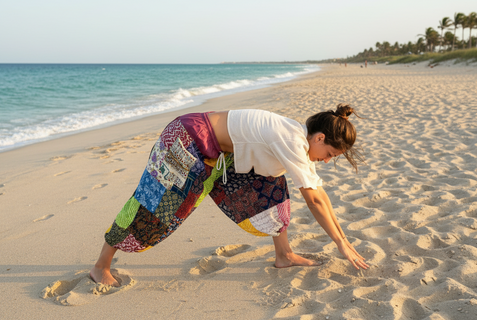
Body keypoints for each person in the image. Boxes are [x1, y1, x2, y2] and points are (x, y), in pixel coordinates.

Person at [90, 105, 369, 286]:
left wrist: (342, 239)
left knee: (273, 191)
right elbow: (314, 200)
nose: (328, 160)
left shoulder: (298, 140)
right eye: (330, 154)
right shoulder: (292, 140)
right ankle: (101, 266)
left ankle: (284, 255)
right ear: (319, 138)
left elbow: (318, 192)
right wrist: (341, 244)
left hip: (221, 152)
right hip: (187, 140)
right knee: (155, 206)